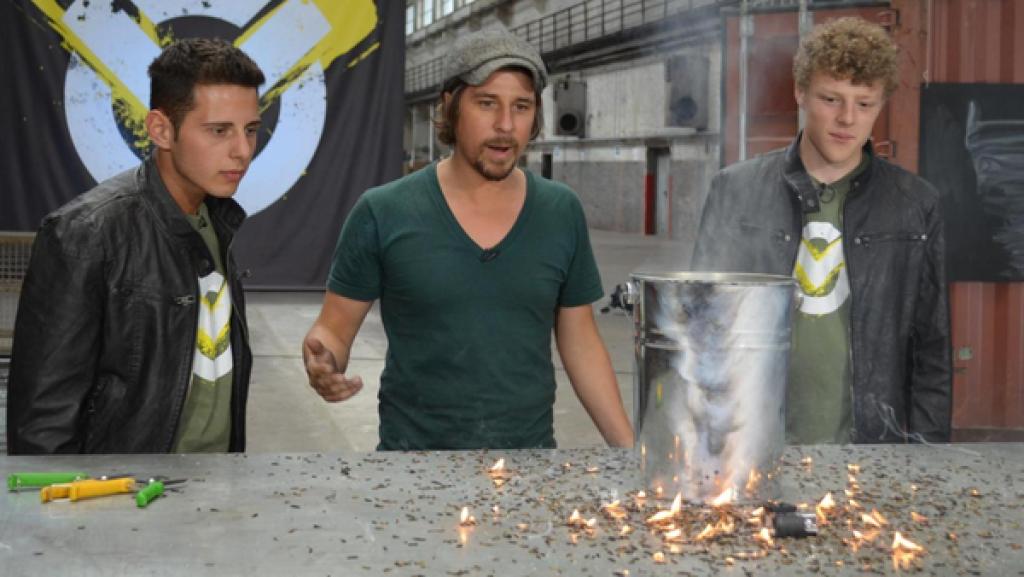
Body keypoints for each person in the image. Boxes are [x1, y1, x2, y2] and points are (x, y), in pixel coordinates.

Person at [304, 29, 634, 450]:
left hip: (527, 468)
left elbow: (581, 342)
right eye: (487, 103)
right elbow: (332, 330)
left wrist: (630, 455)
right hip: (413, 468)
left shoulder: (559, 211)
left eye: (521, 106)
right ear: (450, 107)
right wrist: (323, 363)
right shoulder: (384, 211)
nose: (505, 125)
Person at [692, 17, 951, 444]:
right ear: (800, 92)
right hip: (752, 441)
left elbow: (931, 349)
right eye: (831, 99)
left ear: (881, 105)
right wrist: (706, 441)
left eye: (864, 104)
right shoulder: (734, 190)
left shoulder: (915, 205)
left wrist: (925, 457)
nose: (847, 119)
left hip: (872, 448)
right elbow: (701, 327)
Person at [7, 38, 264, 454]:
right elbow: (42, 423)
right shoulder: (84, 232)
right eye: (219, 131)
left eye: (250, 130)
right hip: (119, 497)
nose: (242, 151)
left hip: (216, 489)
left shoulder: (218, 220)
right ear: (161, 129)